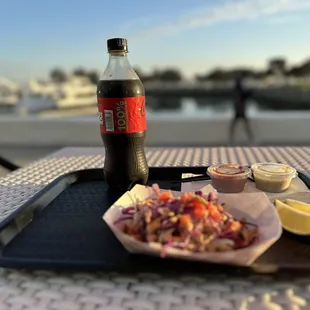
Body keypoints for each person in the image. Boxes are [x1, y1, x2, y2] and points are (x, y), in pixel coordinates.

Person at [229, 75, 254, 144]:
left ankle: (231, 139)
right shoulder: (240, 90)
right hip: (241, 110)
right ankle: (250, 138)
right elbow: (245, 96)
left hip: (238, 109)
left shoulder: (236, 90)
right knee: (245, 125)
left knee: (234, 125)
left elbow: (242, 97)